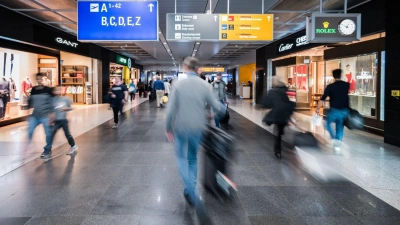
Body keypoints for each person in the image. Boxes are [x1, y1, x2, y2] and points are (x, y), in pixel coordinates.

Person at [165, 56, 225, 209]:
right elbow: (217, 106)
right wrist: (222, 111)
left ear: (185, 67)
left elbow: (170, 110)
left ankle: (190, 191)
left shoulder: (178, 85)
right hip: (198, 128)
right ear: (197, 68)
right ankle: (190, 190)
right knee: (192, 159)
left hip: (180, 127)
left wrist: (168, 127)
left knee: (180, 158)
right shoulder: (205, 85)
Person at [262, 76, 294, 159]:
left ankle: (277, 150)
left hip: (276, 114)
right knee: (280, 130)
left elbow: (267, 104)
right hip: (286, 114)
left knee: (277, 132)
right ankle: (284, 144)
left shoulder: (272, 92)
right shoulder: (286, 91)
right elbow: (291, 102)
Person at [317, 69, 350, 148]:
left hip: (334, 110)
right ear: (340, 75)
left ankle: (334, 138)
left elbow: (323, 98)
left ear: (333, 76)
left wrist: (318, 108)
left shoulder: (330, 87)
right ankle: (338, 142)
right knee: (340, 126)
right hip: (344, 110)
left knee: (327, 124)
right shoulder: (346, 85)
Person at [28, 73, 55, 158]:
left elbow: (53, 102)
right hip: (35, 115)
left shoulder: (48, 90)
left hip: (46, 115)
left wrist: (52, 114)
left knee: (48, 133)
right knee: (29, 132)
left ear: (44, 79)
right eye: (37, 79)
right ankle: (29, 148)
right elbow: (30, 102)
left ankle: (47, 149)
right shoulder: (33, 90)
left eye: (41, 79)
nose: (39, 80)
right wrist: (28, 112)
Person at [51, 86, 78, 155]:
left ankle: (73, 146)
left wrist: (66, 109)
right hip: (56, 120)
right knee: (52, 134)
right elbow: (51, 109)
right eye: (56, 90)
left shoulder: (65, 99)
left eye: (59, 90)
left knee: (67, 134)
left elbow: (72, 107)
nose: (57, 92)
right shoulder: (53, 99)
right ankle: (48, 149)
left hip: (63, 120)